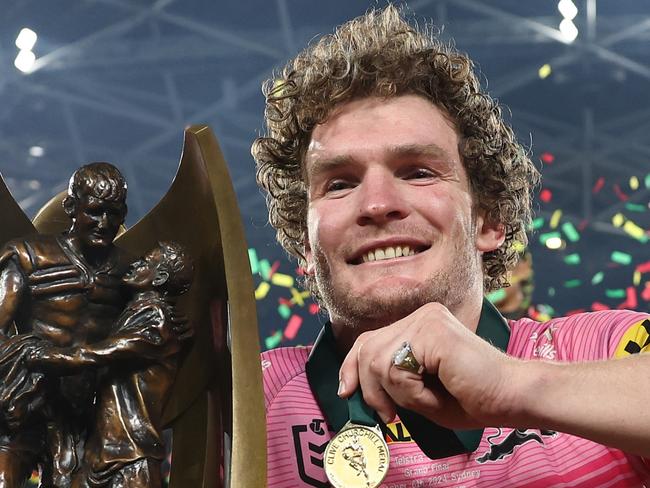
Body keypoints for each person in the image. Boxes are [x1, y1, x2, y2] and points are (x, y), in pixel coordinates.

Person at [252, 6, 650, 487]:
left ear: (490, 220)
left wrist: (513, 386)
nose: (377, 204)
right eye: (339, 184)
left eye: (418, 171)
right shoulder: (241, 401)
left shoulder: (606, 354)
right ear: (304, 248)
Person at [0, 162, 132, 487]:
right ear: (71, 207)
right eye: (95, 211)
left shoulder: (129, 272)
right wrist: (35, 354)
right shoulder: (29, 257)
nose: (104, 223)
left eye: (114, 214)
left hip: (82, 415)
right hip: (25, 402)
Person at [29, 241, 193, 488]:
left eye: (145, 262)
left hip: (131, 458)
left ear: (159, 277)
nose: (136, 263)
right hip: (101, 454)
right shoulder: (132, 313)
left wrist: (43, 355)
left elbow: (96, 354)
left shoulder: (157, 320)